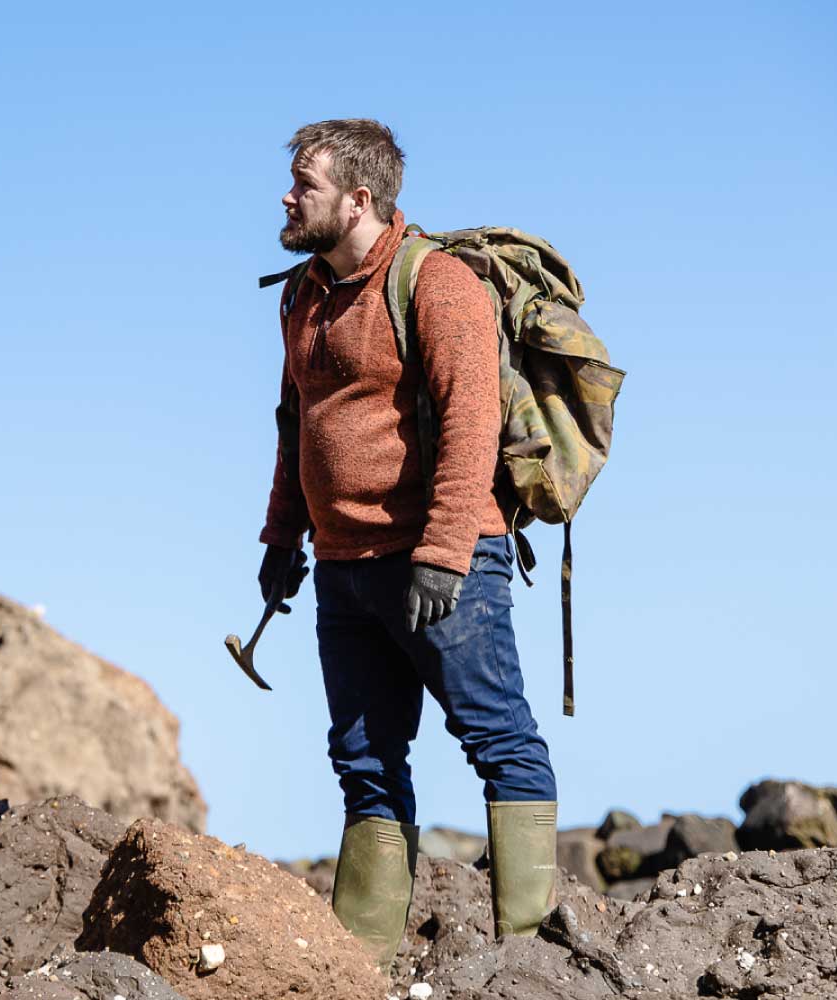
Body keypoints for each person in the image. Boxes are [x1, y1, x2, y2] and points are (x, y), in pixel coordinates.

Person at [256, 119, 558, 971]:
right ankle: (361, 964)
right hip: (341, 570)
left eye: (304, 183)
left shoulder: (438, 283)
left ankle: (529, 964)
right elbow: (296, 426)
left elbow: (473, 421)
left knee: (497, 737)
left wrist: (445, 548)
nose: (286, 196)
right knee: (362, 760)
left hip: (439, 562)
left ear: (359, 198)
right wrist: (282, 537)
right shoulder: (303, 295)